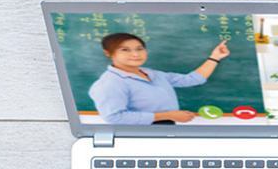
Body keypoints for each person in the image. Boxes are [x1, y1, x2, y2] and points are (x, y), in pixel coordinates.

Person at [88, 33, 229, 125]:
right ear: (108, 53)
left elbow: (192, 79)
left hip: (165, 127)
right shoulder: (110, 83)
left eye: (139, 48)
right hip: (139, 136)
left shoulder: (153, 74)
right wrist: (168, 115)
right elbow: (114, 118)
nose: (135, 54)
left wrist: (215, 57)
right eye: (125, 50)